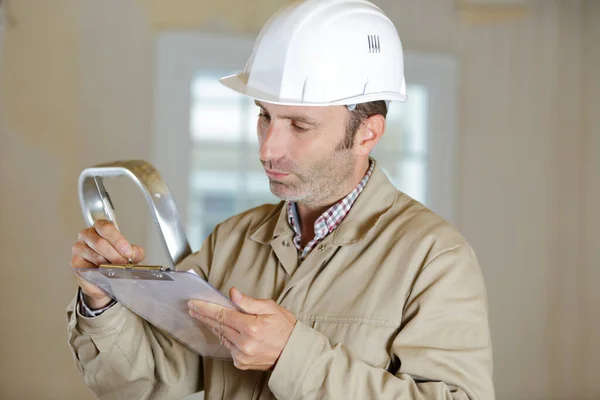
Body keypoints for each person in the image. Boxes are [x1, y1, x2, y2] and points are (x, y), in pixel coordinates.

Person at [67, 0, 494, 399]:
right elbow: (143, 379)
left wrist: (293, 356)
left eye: (300, 125)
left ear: (368, 133)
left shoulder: (435, 258)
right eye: (265, 116)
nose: (268, 149)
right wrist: (102, 299)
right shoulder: (231, 241)